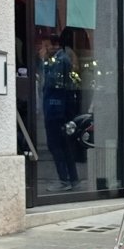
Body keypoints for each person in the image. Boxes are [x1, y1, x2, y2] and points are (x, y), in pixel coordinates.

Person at [39, 32, 82, 191]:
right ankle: (72, 179)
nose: (44, 48)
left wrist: (43, 61)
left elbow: (52, 82)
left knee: (56, 145)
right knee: (64, 145)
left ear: (53, 45)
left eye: (45, 45)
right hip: (58, 108)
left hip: (56, 109)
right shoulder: (62, 58)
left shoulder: (59, 60)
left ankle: (64, 180)